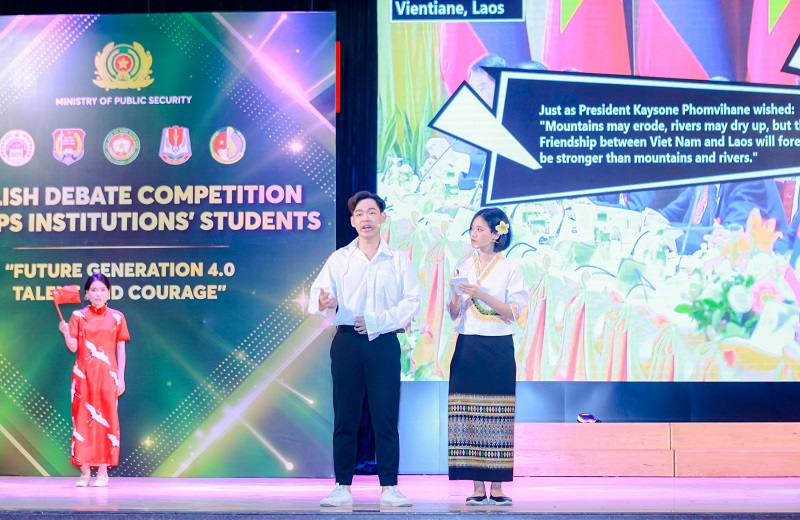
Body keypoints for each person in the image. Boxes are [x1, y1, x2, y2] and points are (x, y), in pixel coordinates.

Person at [308, 191, 420, 507]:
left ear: (383, 218)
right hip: (347, 343)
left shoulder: (397, 259)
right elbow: (318, 295)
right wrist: (323, 301)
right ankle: (342, 485)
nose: (366, 218)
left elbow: (412, 301)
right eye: (359, 213)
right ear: (352, 221)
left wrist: (375, 321)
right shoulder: (340, 258)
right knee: (346, 415)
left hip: (382, 341)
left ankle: (390, 486)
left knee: (385, 415)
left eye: (372, 212)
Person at [446, 207, 527, 506]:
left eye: (480, 229)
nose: (473, 234)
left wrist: (481, 294)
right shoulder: (462, 264)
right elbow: (453, 312)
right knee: (467, 414)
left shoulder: (511, 268)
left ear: (496, 234)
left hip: (498, 347)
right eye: (472, 228)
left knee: (498, 416)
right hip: (468, 345)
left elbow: (513, 312)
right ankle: (477, 486)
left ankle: (498, 486)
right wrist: (455, 294)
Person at [58, 272, 129, 488]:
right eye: (94, 290)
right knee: (82, 420)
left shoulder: (117, 317)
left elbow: (121, 350)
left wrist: (121, 378)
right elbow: (73, 347)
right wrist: (65, 333)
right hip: (83, 376)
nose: (98, 294)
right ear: (87, 294)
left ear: (109, 292)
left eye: (103, 290)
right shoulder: (78, 316)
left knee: (107, 420)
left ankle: (103, 472)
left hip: (108, 376)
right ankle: (85, 471)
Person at [646, 180, 789, 254]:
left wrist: (669, 235)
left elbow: (728, 237)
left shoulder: (749, 178)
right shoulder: (707, 174)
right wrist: (650, 220)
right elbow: (672, 213)